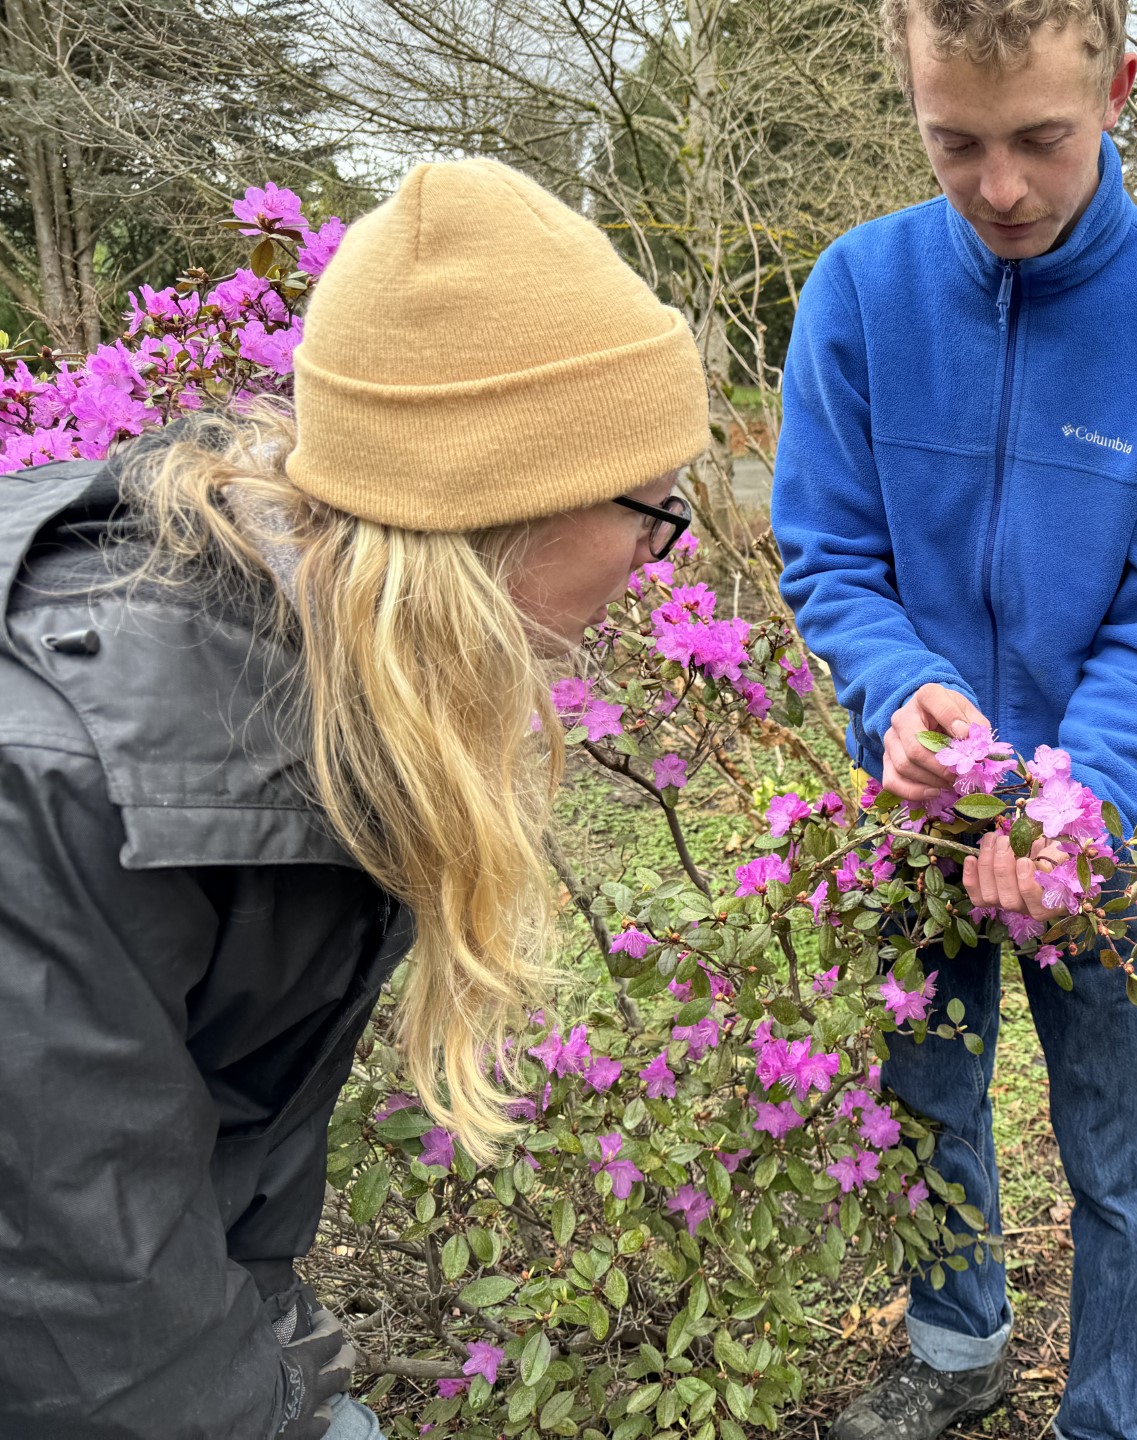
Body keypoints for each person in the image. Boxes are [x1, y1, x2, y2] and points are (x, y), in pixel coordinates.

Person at [0, 158, 711, 1439]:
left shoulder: (315, 669)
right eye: (653, 504)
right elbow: (77, 1320)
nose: (660, 552)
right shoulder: (70, 780)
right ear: (504, 506)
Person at [772, 3, 1137, 1436]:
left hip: (1089, 829)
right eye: (955, 143)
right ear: (912, 99)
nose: (1000, 188)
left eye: (1041, 138)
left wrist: (1075, 802)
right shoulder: (858, 294)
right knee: (927, 1097)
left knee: (1115, 1151)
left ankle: (1110, 1418)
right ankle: (953, 1348)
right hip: (916, 806)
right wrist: (895, 692)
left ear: (1116, 89)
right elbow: (829, 553)